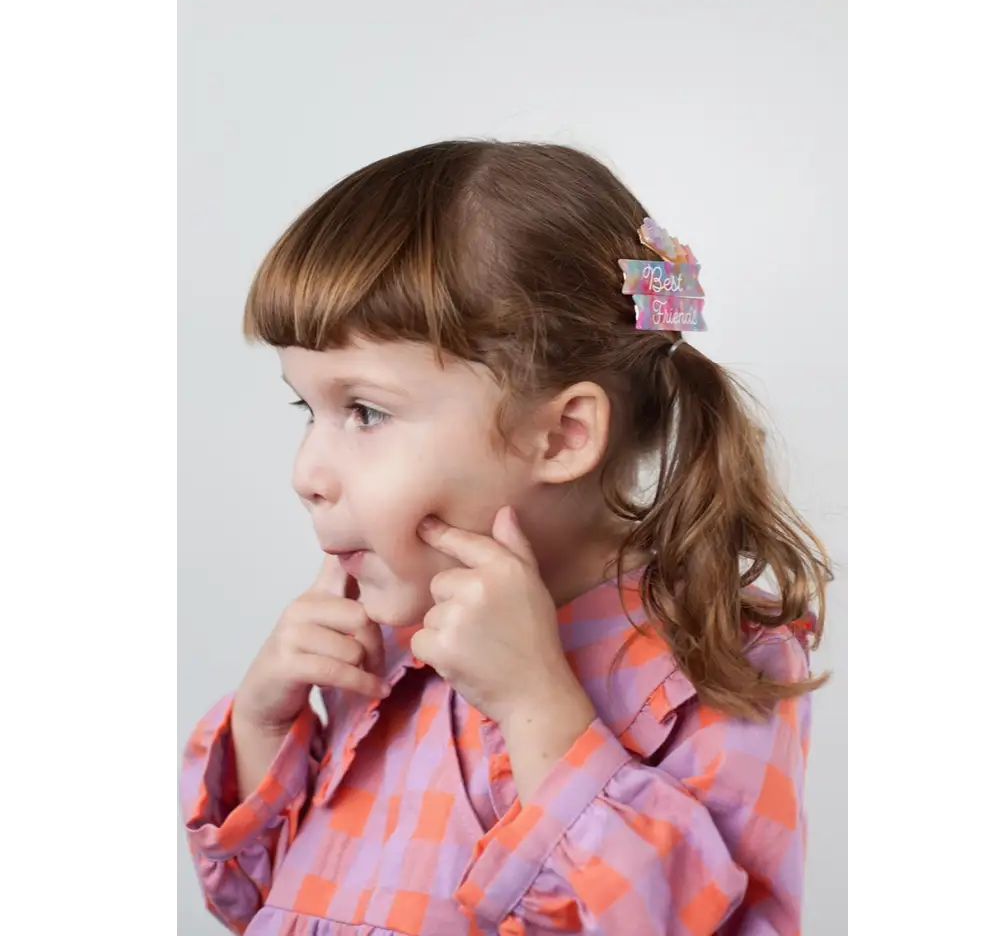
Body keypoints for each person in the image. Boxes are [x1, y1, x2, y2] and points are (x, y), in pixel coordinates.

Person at [180, 140, 831, 936]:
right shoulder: (384, 633)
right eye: (304, 410)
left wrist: (536, 704)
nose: (307, 471)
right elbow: (251, 902)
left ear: (560, 436)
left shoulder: (712, 655)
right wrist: (265, 728)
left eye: (366, 411)